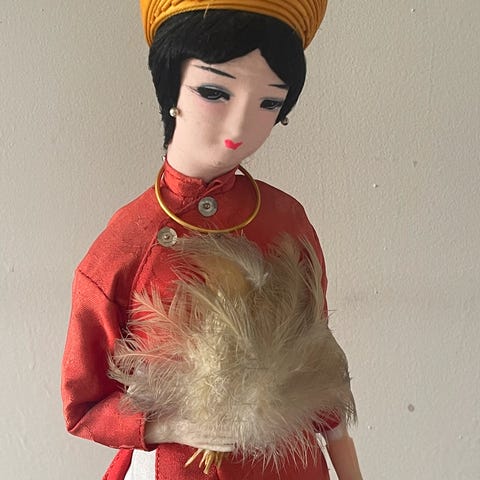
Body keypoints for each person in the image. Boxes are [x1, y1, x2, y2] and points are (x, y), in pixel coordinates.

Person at [61, 1, 363, 479]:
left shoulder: (286, 221)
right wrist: (170, 424)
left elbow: (317, 365)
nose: (240, 126)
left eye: (269, 103)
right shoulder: (128, 243)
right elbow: (84, 405)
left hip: (287, 466)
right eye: (214, 91)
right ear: (171, 88)